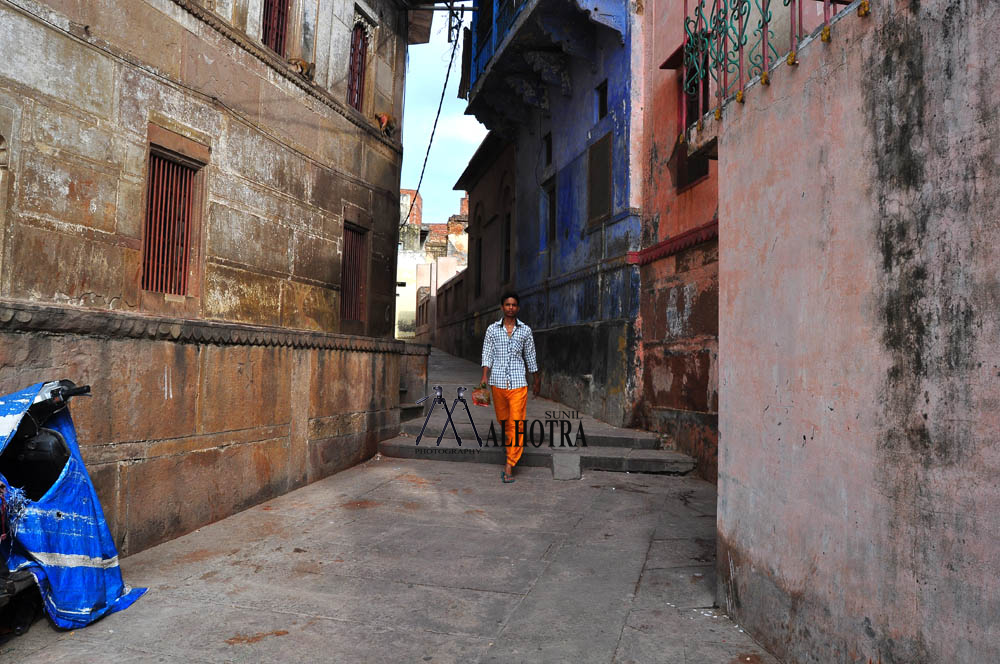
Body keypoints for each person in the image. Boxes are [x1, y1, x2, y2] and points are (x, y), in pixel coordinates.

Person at [480, 291, 540, 483]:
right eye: (507, 305)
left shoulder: (525, 331)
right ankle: (511, 449)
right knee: (505, 422)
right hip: (497, 383)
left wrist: (536, 379)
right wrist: (484, 377)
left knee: (516, 423)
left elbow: (530, 356)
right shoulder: (492, 330)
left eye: (514, 305)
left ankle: (509, 464)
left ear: (518, 308)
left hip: (518, 383)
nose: (511, 308)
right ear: (502, 307)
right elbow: (487, 354)